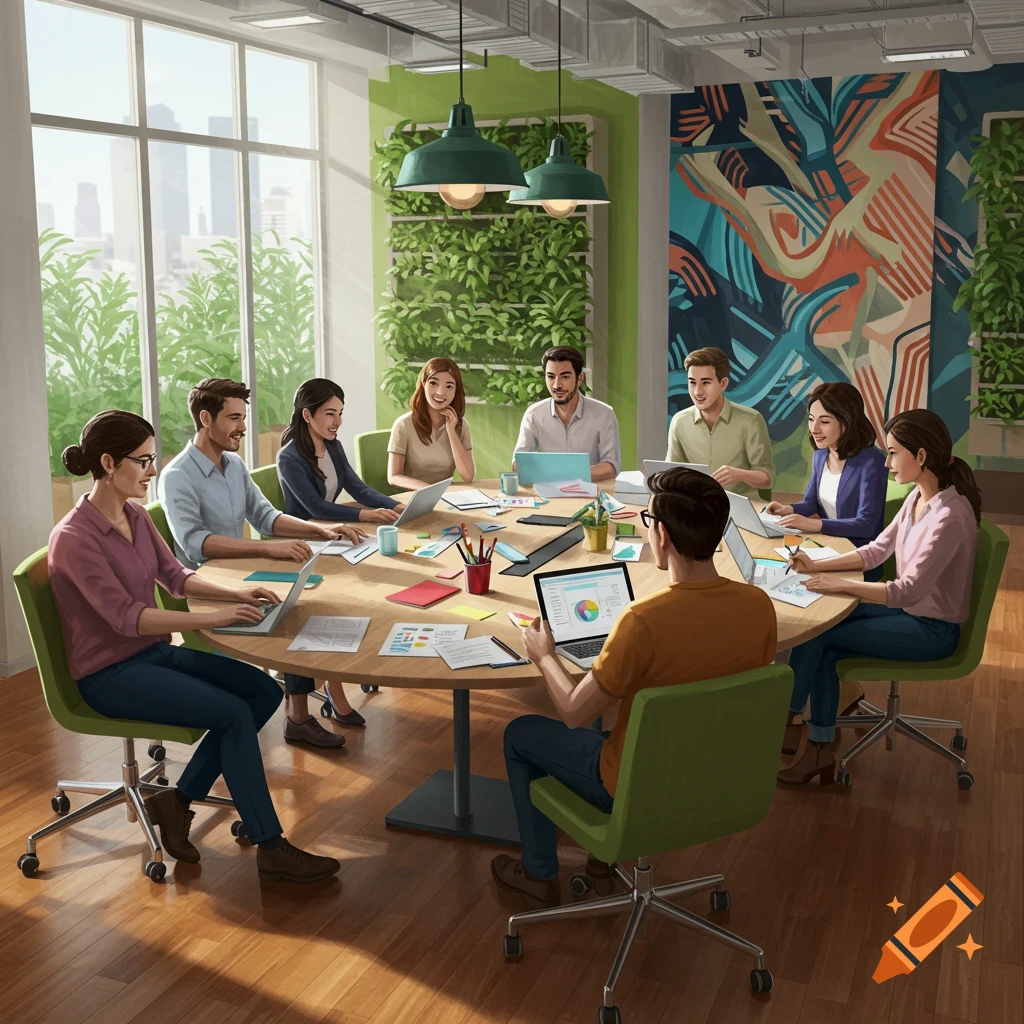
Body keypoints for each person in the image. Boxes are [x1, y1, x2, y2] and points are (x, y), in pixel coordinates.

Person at [50, 410, 341, 883]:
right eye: (142, 461)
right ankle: (270, 846)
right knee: (232, 713)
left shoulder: (136, 516)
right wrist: (218, 616)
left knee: (263, 693)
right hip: (108, 674)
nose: (152, 470)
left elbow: (176, 577)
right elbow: (128, 617)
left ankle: (178, 800)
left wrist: (238, 595)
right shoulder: (73, 538)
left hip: (151, 653)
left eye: (153, 458)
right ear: (107, 463)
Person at [490, 468, 777, 908]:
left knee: (520, 734)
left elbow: (571, 711)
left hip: (636, 781)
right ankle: (599, 865)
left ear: (661, 534)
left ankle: (539, 874)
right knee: (613, 723)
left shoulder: (641, 621)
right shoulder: (759, 607)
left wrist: (544, 654)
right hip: (720, 771)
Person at [159, 377, 364, 751]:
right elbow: (194, 544)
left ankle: (302, 712)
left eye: (243, 416)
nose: (242, 426)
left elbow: (265, 517)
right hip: (206, 591)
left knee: (308, 600)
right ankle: (299, 718)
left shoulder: (234, 464)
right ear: (206, 418)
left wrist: (320, 529)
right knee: (291, 611)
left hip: (241, 572)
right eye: (234, 418)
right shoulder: (177, 477)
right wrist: (268, 550)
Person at [778, 409, 981, 785]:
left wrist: (838, 584)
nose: (886, 463)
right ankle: (812, 740)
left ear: (920, 456)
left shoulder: (949, 516)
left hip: (932, 631)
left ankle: (795, 727)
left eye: (892, 453)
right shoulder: (918, 498)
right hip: (910, 615)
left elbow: (906, 590)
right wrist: (819, 567)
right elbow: (875, 551)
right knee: (824, 633)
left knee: (825, 634)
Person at [277, 378, 406, 727]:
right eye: (329, 413)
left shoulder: (332, 446)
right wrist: (364, 514)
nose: (337, 421)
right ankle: (334, 694)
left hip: (333, 539)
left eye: (340, 413)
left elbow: (357, 487)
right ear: (307, 414)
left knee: (379, 577)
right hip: (306, 543)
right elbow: (314, 506)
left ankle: (341, 684)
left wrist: (398, 506)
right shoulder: (289, 457)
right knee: (330, 605)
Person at [765, 381, 888, 579]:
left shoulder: (872, 461)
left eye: (824, 421)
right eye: (811, 419)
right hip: (827, 546)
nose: (814, 429)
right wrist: (787, 509)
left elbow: (866, 525)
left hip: (856, 559)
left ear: (845, 423)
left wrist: (814, 524)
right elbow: (811, 502)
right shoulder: (820, 456)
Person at [666, 347, 775, 500]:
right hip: (696, 506)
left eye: (706, 383)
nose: (697, 392)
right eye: (692, 383)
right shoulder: (679, 421)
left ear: (723, 383)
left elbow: (767, 478)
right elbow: (671, 473)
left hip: (741, 507)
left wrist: (740, 474)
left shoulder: (751, 420)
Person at [513, 346, 620, 482]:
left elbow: (611, 466)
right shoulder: (534, 414)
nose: (557, 385)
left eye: (565, 377)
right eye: (551, 377)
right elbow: (518, 464)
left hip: (592, 495)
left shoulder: (604, 414)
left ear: (580, 379)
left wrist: (559, 474)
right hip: (548, 495)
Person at [388, 358, 475, 490]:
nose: (440, 392)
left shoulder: (461, 425)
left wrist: (451, 431)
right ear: (423, 384)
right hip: (412, 499)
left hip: (445, 497)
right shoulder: (403, 425)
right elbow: (394, 476)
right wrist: (429, 490)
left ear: (456, 391)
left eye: (449, 386)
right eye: (434, 383)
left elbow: (468, 476)